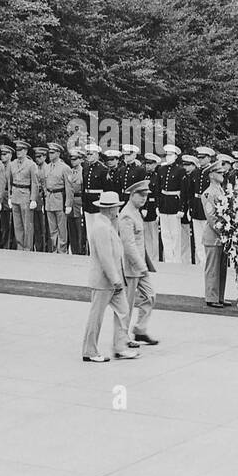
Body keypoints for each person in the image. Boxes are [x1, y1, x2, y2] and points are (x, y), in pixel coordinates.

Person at [82, 191, 131, 363]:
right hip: (105, 281)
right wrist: (115, 279)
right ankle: (90, 351)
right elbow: (105, 257)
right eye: (116, 207)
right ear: (110, 209)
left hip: (112, 281)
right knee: (96, 317)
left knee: (123, 311)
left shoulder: (106, 223)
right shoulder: (101, 227)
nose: (117, 210)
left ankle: (120, 347)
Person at [119, 179, 159, 347]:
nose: (144, 199)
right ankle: (123, 337)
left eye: (145, 195)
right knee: (126, 305)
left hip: (140, 266)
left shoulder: (135, 211)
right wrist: (141, 265)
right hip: (131, 267)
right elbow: (128, 245)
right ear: (132, 195)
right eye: (140, 195)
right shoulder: (127, 214)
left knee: (150, 296)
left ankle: (140, 330)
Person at [200, 157, 229, 307]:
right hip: (214, 236)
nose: (222, 174)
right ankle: (211, 297)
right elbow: (211, 218)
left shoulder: (220, 190)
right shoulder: (208, 193)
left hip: (222, 236)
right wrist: (223, 232)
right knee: (212, 268)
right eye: (219, 172)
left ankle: (220, 296)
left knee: (221, 268)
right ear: (211, 175)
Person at [153, 144, 187, 264]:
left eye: (171, 155)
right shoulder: (161, 169)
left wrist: (182, 208)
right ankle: (168, 259)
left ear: (176, 156)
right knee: (165, 235)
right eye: (167, 155)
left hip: (174, 204)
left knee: (175, 235)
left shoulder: (180, 170)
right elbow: (157, 189)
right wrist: (157, 206)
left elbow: (183, 191)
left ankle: (176, 260)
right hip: (164, 204)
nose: (168, 157)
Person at [40, 142, 72, 252]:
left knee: (62, 228)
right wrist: (45, 196)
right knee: (52, 228)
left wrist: (68, 204)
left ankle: (62, 250)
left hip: (60, 198)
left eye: (52, 152)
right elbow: (44, 183)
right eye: (49, 152)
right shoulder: (47, 167)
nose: (50, 154)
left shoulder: (65, 168)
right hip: (49, 199)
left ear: (58, 153)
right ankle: (54, 249)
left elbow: (69, 187)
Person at [8, 139, 37, 251]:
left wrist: (33, 199)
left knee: (27, 225)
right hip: (15, 194)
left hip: (25, 195)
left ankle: (27, 247)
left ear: (26, 151)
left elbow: (35, 183)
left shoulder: (31, 165)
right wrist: (10, 197)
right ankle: (20, 246)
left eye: (21, 150)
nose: (18, 152)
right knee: (17, 224)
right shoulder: (12, 164)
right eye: (17, 150)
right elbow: (9, 181)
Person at [80, 143, 110, 241]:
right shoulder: (86, 169)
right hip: (87, 202)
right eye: (87, 154)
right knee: (89, 230)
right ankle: (92, 253)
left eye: (91, 154)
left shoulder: (103, 169)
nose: (88, 156)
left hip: (98, 202)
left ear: (97, 154)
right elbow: (84, 187)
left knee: (99, 231)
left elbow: (106, 189)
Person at [140, 152, 161, 265]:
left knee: (153, 235)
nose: (148, 166)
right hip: (144, 206)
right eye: (147, 163)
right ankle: (147, 257)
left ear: (155, 165)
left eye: (150, 164)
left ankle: (155, 258)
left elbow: (157, 193)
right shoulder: (144, 176)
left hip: (152, 207)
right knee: (146, 235)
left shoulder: (157, 177)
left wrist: (158, 207)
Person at [66, 148, 87, 255]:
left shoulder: (84, 172)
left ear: (81, 160)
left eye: (75, 159)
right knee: (72, 229)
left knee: (80, 230)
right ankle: (74, 251)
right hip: (70, 202)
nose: (72, 161)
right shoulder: (69, 171)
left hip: (79, 201)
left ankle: (81, 252)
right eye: (71, 159)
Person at [0, 143, 15, 248]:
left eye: (5, 154)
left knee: (9, 222)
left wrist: (11, 197)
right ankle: (2, 243)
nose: (2, 156)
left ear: (10, 155)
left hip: (8, 195)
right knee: (2, 222)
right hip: (0, 195)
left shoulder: (12, 166)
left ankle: (9, 245)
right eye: (1, 154)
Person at [32, 145, 50, 250]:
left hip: (44, 199)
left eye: (39, 156)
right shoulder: (35, 167)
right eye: (36, 157)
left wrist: (45, 201)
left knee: (44, 226)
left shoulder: (47, 168)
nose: (37, 159)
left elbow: (46, 186)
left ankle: (45, 248)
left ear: (44, 157)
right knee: (37, 226)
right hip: (36, 198)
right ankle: (38, 247)